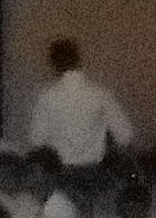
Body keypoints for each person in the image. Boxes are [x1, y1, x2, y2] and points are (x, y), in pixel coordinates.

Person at [25, 39, 133, 172]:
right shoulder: (100, 94)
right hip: (93, 172)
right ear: (78, 60)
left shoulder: (47, 96)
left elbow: (36, 139)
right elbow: (125, 134)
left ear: (53, 64)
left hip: (59, 172)